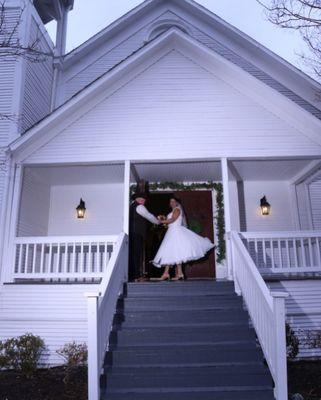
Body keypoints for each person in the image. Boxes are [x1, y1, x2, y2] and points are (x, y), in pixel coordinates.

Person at [152, 197, 214, 281]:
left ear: (177, 203)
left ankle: (167, 273)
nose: (172, 203)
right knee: (174, 252)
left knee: (170, 251)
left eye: (173, 201)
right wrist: (163, 219)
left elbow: (173, 219)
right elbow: (169, 221)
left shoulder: (177, 210)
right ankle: (178, 273)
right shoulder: (173, 210)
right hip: (171, 232)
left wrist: (160, 221)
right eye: (170, 201)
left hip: (176, 232)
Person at [129, 193, 160, 281]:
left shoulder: (131, 206)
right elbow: (149, 216)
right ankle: (136, 276)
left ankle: (133, 275)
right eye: (143, 200)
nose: (144, 201)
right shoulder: (140, 207)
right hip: (137, 233)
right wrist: (158, 222)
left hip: (131, 233)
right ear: (138, 199)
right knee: (136, 254)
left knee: (133, 254)